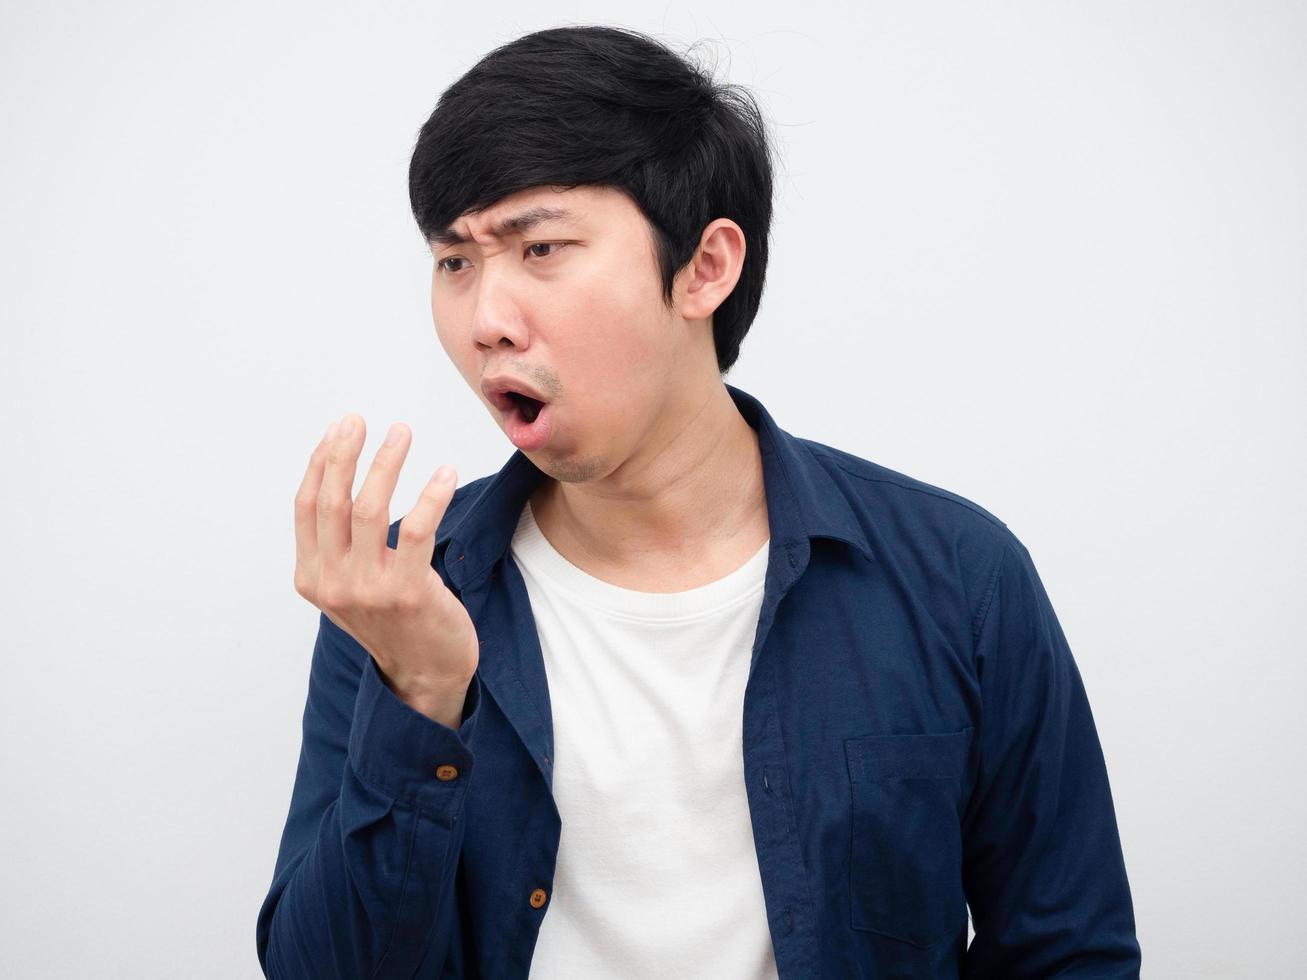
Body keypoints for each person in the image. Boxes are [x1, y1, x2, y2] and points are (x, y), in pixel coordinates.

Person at [255, 24, 1141, 980]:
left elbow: (1068, 954)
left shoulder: (957, 575)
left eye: (541, 247)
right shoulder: (402, 595)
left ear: (705, 267)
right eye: (454, 262)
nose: (485, 322)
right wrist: (418, 694)